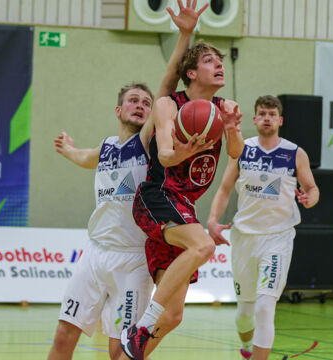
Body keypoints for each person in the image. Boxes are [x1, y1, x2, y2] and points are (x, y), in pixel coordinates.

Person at [46, 2, 208, 359]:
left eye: (146, 103)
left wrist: (184, 34)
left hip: (132, 259)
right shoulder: (105, 148)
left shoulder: (146, 142)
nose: (140, 105)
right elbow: (83, 158)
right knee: (62, 336)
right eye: (133, 101)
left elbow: (168, 81)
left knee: (120, 352)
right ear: (118, 110)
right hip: (95, 253)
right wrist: (69, 149)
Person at [119, 41, 245, 360]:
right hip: (158, 196)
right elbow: (162, 153)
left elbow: (235, 154)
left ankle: (134, 351)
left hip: (186, 206)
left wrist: (233, 128)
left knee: (174, 316)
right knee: (203, 246)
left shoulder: (225, 105)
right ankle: (142, 326)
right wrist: (181, 153)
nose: (218, 64)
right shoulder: (168, 104)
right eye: (209, 60)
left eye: (219, 60)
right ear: (191, 73)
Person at [206, 95, 319, 360]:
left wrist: (309, 198)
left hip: (278, 238)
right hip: (244, 237)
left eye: (272, 114)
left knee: (265, 307)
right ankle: (246, 347)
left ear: (280, 120)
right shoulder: (241, 149)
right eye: (262, 113)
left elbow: (312, 189)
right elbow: (223, 189)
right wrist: (212, 220)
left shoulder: (295, 153)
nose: (267, 117)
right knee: (245, 314)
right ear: (255, 119)